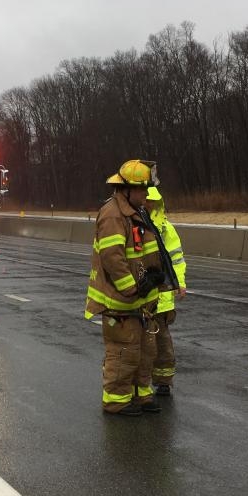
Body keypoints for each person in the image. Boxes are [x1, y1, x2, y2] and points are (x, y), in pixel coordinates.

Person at [84, 159, 167, 417]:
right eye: (142, 189)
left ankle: (142, 395)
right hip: (121, 300)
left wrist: (155, 276)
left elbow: (143, 250)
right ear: (126, 189)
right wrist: (133, 288)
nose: (146, 194)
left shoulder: (136, 210)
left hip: (141, 301)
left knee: (145, 350)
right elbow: (113, 257)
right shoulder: (112, 214)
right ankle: (116, 401)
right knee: (124, 351)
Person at [145, 186, 187, 396]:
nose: (149, 205)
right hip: (140, 297)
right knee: (139, 344)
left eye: (152, 202)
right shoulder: (133, 226)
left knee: (162, 345)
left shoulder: (165, 230)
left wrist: (180, 283)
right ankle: (137, 384)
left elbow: (176, 259)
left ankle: (163, 381)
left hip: (161, 299)